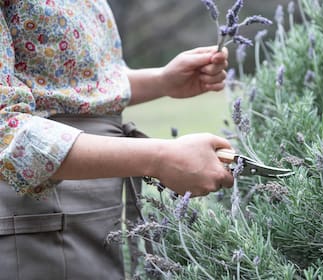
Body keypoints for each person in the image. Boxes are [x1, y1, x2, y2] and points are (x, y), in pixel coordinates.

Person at [0, 0, 233, 279]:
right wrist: (158, 158)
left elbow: (76, 89)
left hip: (93, 214)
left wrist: (161, 81)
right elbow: (6, 129)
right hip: (38, 217)